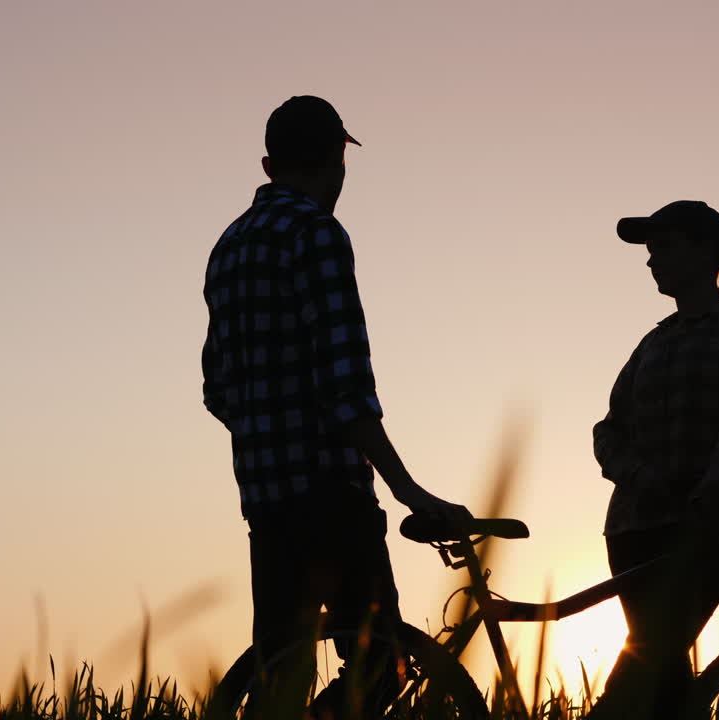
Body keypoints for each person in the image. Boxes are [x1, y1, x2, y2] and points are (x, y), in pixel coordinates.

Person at [201, 95, 471, 718]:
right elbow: (346, 384)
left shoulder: (228, 248)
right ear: (336, 158)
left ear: (268, 164)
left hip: (265, 500)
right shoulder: (317, 233)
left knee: (280, 674)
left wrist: (268, 438)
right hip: (331, 494)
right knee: (384, 663)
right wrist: (409, 491)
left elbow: (219, 388)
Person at [590, 200, 719, 719]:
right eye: (650, 252)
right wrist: (641, 476)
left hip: (707, 523)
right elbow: (608, 431)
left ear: (707, 251)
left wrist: (713, 481)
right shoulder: (654, 343)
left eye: (665, 247)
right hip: (635, 529)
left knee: (644, 667)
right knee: (664, 684)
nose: (652, 261)